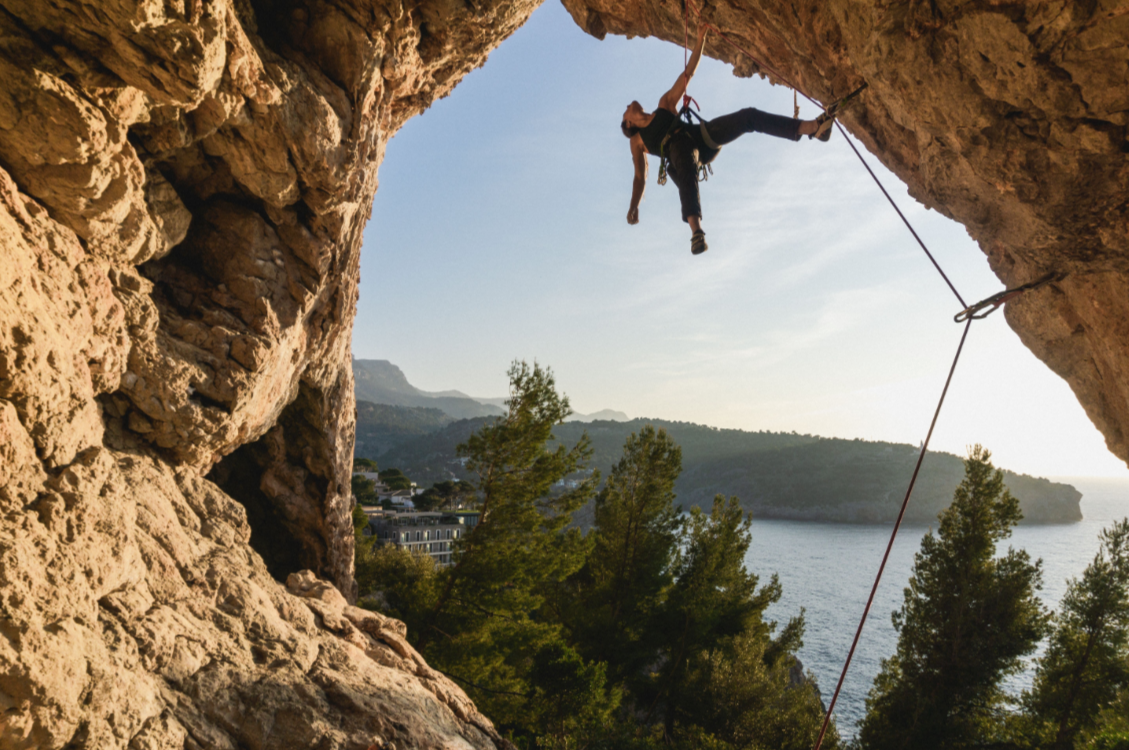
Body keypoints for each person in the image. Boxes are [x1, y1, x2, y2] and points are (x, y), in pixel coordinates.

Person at [622, 25, 834, 255]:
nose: (626, 107)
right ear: (629, 124)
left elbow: (687, 74)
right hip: (682, 154)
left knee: (748, 116)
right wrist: (634, 206)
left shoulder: (664, 105)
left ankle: (813, 128)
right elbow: (639, 179)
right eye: (624, 112)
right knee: (681, 157)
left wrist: (700, 38)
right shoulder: (637, 141)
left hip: (701, 138)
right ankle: (696, 232)